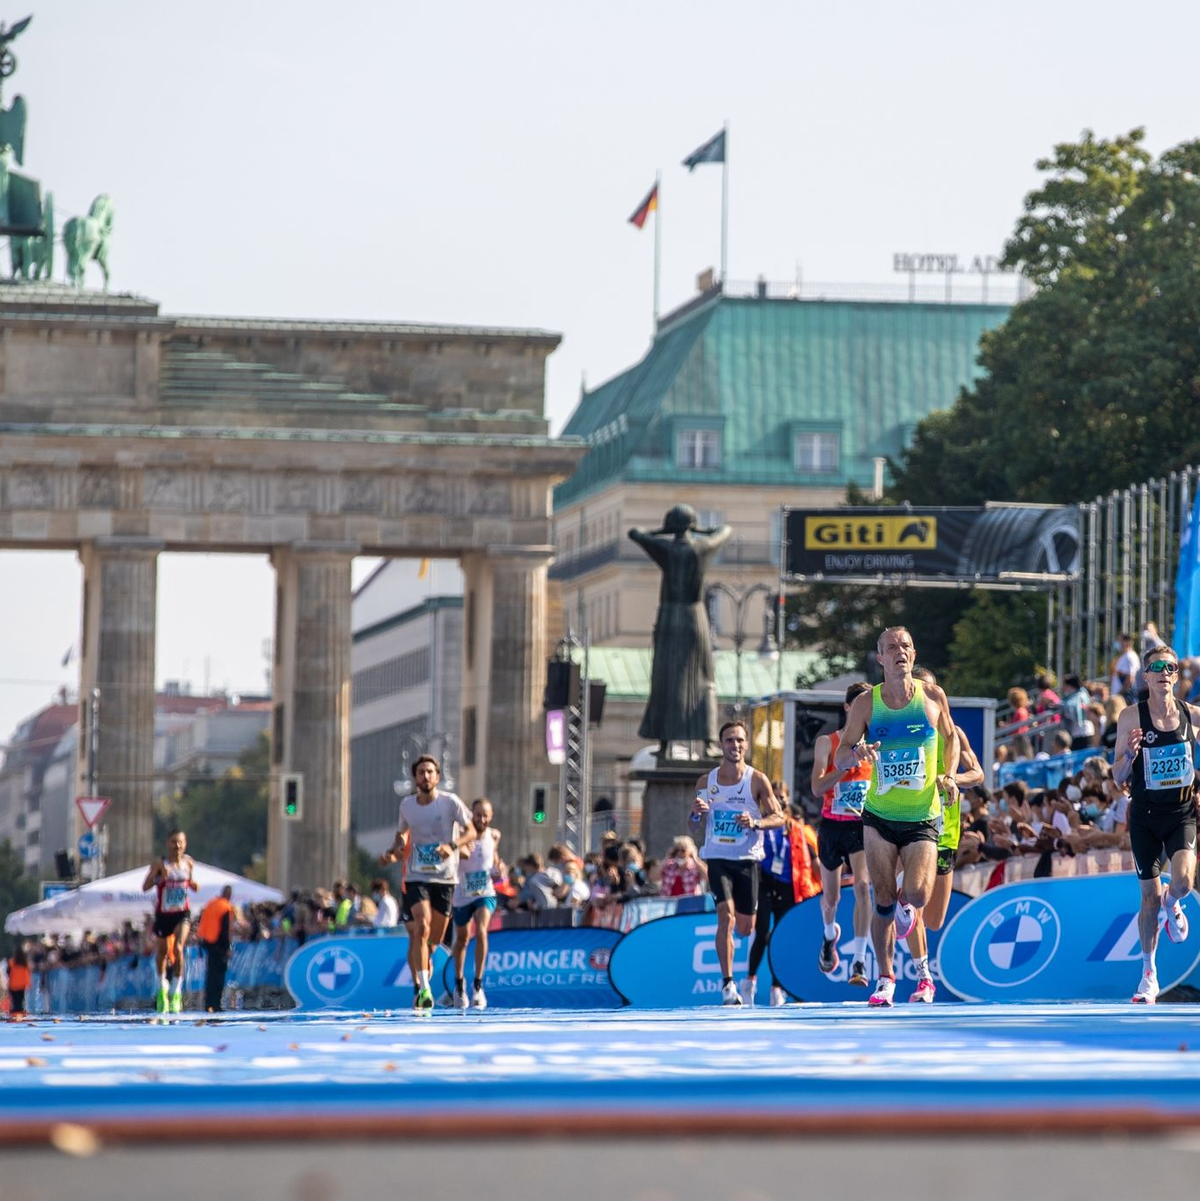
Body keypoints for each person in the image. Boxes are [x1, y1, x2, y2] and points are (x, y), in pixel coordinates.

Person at [833, 627, 959, 1008]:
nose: (899, 652)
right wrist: (857, 755)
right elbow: (840, 756)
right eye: (891, 647)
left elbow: (951, 739)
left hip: (923, 814)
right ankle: (886, 978)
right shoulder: (867, 705)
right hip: (880, 816)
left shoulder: (933, 696)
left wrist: (949, 775)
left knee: (918, 894)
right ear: (881, 658)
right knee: (883, 898)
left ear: (913, 654)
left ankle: (908, 923)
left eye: (905, 646)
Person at [1111, 645, 1199, 1004]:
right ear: (1146, 676)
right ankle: (1149, 974)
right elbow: (1117, 776)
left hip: (1181, 814)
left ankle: (1173, 902)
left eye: (1171, 667)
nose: (1164, 672)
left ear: (1176, 675)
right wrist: (1130, 755)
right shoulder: (1131, 718)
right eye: (1157, 667)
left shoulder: (1192, 715)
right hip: (1145, 816)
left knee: (1182, 882)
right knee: (1147, 898)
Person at [902, 667, 985, 1002]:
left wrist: (952, 780)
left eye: (933, 691)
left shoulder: (954, 733)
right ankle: (924, 978)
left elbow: (977, 773)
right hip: (912, 825)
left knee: (934, 919)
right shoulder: (903, 730)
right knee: (913, 906)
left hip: (946, 832)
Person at [689, 719, 786, 1006]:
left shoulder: (756, 780)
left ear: (746, 744)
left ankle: (738, 980)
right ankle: (728, 984)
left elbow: (779, 817)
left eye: (741, 740)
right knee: (726, 916)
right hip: (718, 858)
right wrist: (695, 813)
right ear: (721, 745)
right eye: (730, 740)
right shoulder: (706, 781)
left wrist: (755, 822)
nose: (736, 745)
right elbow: (693, 824)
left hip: (747, 860)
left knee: (745, 928)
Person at [628, 505, 733, 757]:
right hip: (694, 616)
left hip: (669, 617)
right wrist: (701, 529)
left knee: (665, 679)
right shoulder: (702, 547)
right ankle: (708, 742)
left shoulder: (665, 549)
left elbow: (635, 532)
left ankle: (665, 745)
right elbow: (725, 530)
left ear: (671, 525)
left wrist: (661, 531)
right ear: (691, 525)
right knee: (705, 678)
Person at [381, 755, 475, 1010]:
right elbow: (401, 834)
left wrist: (452, 845)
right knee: (420, 929)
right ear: (415, 778)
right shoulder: (407, 805)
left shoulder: (450, 802)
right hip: (416, 877)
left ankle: (427, 959)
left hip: (445, 878)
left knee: (433, 939)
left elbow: (472, 830)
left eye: (430, 772)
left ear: (438, 777)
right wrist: (392, 851)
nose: (426, 776)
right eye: (421, 772)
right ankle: (423, 989)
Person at [811, 682, 874, 988]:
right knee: (831, 897)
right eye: (860, 705)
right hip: (831, 827)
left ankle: (860, 960)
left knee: (863, 886)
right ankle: (828, 935)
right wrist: (844, 764)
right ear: (849, 708)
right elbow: (817, 788)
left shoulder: (876, 745)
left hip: (861, 827)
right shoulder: (828, 742)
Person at [743, 786, 821, 1006]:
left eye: (783, 798)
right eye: (775, 798)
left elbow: (811, 861)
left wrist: (826, 883)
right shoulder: (758, 824)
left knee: (781, 935)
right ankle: (749, 980)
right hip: (765, 884)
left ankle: (777, 987)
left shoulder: (794, 828)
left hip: (789, 887)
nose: (779, 802)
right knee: (762, 933)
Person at [450, 797, 503, 1009]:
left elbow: (494, 858)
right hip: (462, 894)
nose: (481, 819)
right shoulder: (462, 836)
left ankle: (478, 985)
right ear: (471, 815)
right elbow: (454, 857)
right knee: (462, 939)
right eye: (477, 814)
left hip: (485, 892)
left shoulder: (494, 835)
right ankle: (459, 983)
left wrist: (499, 869)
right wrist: (460, 849)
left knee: (481, 931)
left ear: (491, 817)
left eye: (485, 815)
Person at [141, 829, 198, 1014]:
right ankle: (161, 987)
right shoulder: (160, 863)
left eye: (181, 842)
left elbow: (194, 884)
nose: (177, 846)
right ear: (168, 843)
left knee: (179, 948)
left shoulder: (188, 863)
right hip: (164, 914)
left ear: (186, 844)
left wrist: (194, 884)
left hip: (182, 913)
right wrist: (159, 878)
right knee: (163, 952)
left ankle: (176, 990)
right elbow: (145, 887)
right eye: (174, 842)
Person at [197, 884, 240, 1013]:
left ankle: (208, 1003)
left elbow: (203, 922)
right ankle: (216, 1004)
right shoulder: (225, 907)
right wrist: (227, 947)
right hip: (219, 944)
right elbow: (225, 929)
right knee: (219, 976)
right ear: (229, 895)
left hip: (208, 942)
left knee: (210, 975)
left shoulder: (211, 903)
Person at [1111, 633, 1141, 703]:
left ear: (1126, 642)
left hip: (1125, 697)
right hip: (1121, 696)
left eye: (1119, 641)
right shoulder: (1124, 656)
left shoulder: (1129, 657)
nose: (1118, 643)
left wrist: (1119, 695)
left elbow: (1130, 679)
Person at [6, 942, 29, 1018]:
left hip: (14, 984)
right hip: (22, 985)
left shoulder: (11, 962)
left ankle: (14, 1015)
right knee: (20, 1001)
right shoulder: (25, 962)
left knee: (15, 1001)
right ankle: (20, 1014)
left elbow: (8, 972)